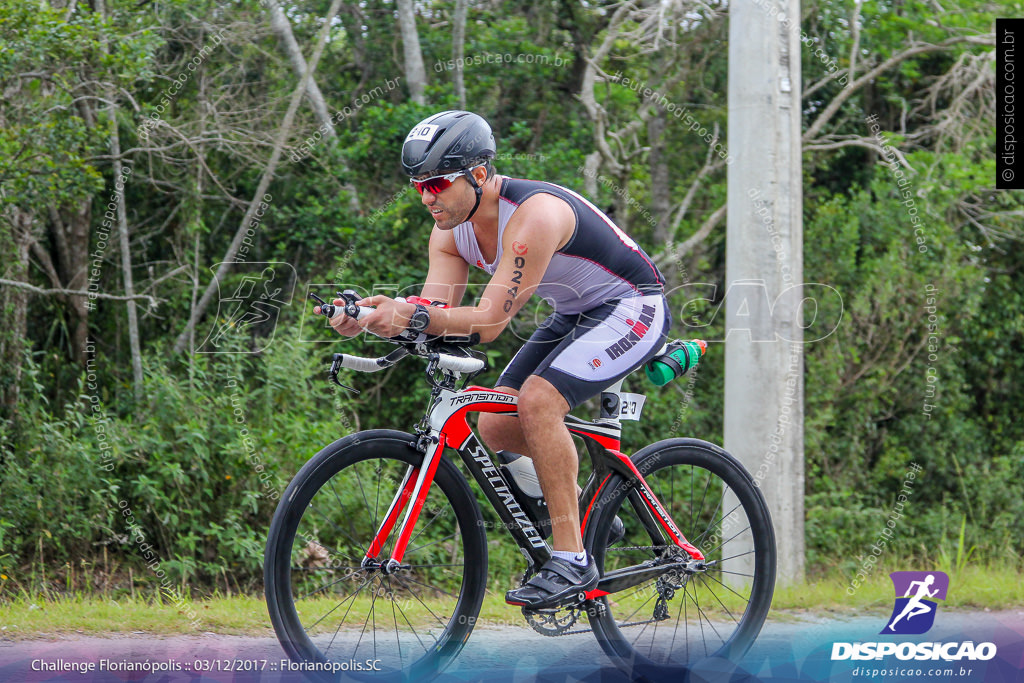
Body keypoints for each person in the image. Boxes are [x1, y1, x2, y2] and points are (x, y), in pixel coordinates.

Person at [320, 110, 670, 609]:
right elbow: (436, 312)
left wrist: (410, 316)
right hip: (574, 311)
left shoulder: (534, 216)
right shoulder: (448, 228)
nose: (426, 197)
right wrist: (377, 318)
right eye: (418, 185)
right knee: (497, 424)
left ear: (479, 174)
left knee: (539, 401)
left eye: (438, 183)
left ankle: (572, 558)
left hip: (634, 304)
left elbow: (485, 324)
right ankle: (581, 509)